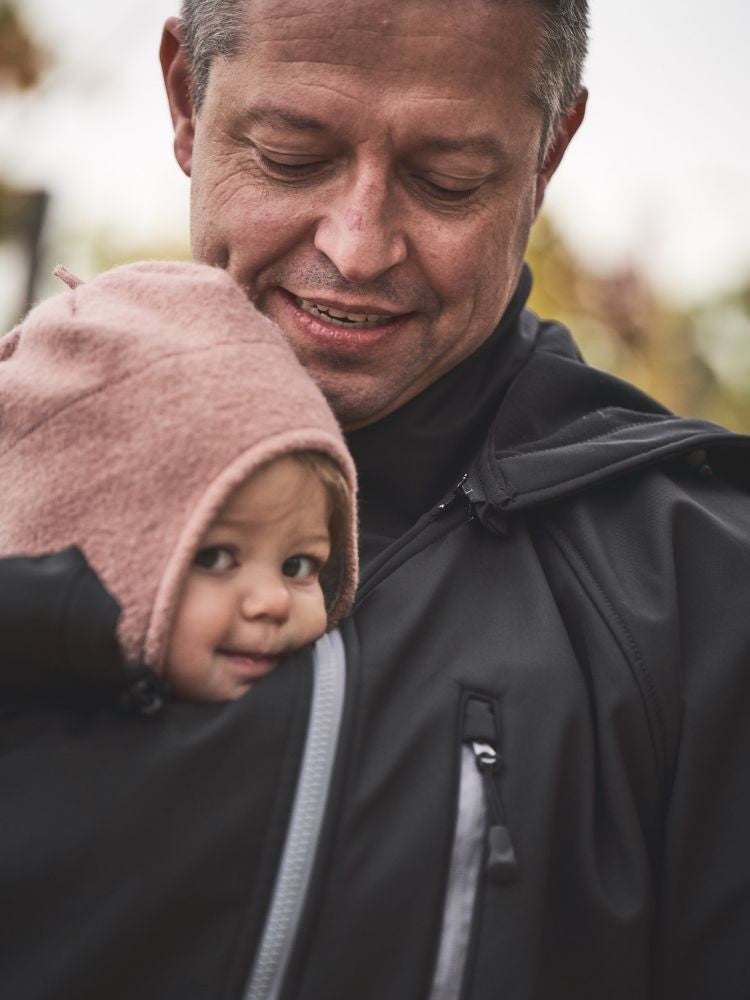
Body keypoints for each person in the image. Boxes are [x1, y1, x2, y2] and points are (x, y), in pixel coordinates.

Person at [154, 1, 750, 998]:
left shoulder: (712, 599)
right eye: (292, 154)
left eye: (449, 180)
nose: (356, 246)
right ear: (185, 98)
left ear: (550, 151)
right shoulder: (22, 490)